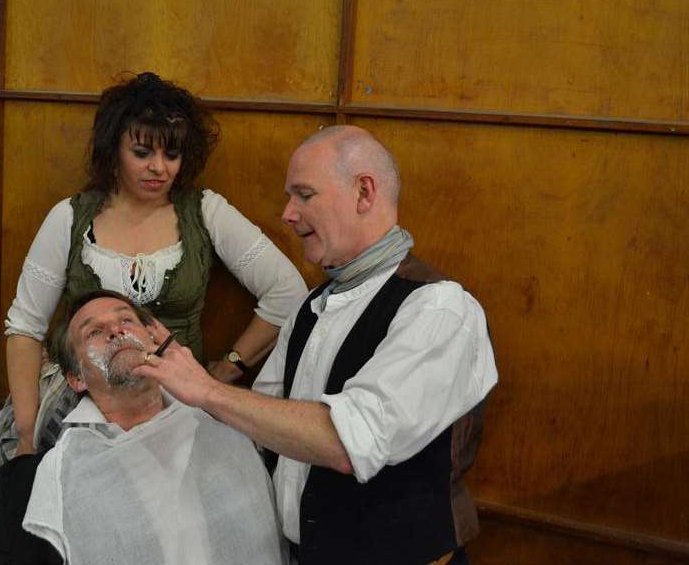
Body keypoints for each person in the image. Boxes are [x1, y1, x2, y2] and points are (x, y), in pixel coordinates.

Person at [134, 125, 498, 564]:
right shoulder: (311, 306)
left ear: (364, 192)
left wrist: (207, 388)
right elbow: (256, 430)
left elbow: (348, 442)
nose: (287, 213)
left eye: (304, 195)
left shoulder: (440, 309)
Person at [0, 72, 308, 482]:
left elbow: (287, 290)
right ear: (113, 150)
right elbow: (25, 326)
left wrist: (228, 367)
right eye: (141, 152)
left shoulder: (205, 211)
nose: (159, 168)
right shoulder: (71, 217)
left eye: (172, 155)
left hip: (177, 407)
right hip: (85, 402)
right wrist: (28, 434)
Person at [0, 291, 288, 565]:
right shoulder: (28, 487)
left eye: (126, 320)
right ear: (76, 379)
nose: (116, 331)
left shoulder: (230, 435)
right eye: (94, 332)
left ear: (155, 342)